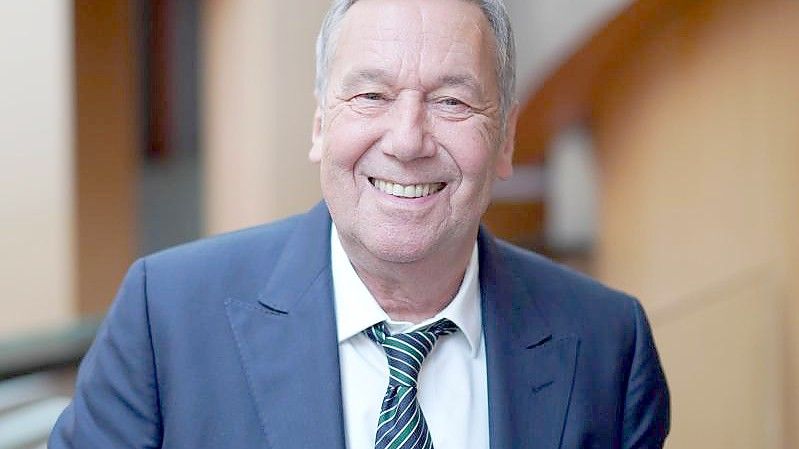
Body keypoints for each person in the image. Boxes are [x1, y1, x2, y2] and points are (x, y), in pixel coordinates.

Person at [50, 0, 670, 447]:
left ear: (505, 137)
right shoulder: (166, 318)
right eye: (371, 96)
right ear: (321, 124)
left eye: (452, 101)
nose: (407, 140)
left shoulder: (608, 345)